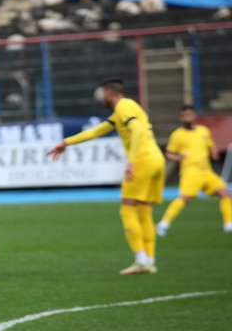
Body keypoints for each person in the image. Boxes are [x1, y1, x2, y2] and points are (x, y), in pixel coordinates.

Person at [47, 79, 165, 275]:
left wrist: (133, 161)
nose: (101, 98)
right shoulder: (125, 110)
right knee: (143, 212)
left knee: (127, 210)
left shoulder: (124, 105)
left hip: (143, 161)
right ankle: (149, 261)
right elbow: (95, 132)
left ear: (109, 94)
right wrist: (65, 143)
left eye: (102, 95)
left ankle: (140, 261)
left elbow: (136, 130)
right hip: (156, 160)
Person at [157, 105, 232, 235]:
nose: (188, 117)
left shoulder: (203, 131)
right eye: (185, 115)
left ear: (194, 116)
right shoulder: (177, 135)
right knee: (185, 198)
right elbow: (168, 153)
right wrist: (178, 157)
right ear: (181, 117)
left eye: (190, 114)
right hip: (190, 172)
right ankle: (163, 224)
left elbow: (211, 145)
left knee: (224, 192)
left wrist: (214, 151)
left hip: (206, 171)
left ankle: (228, 224)